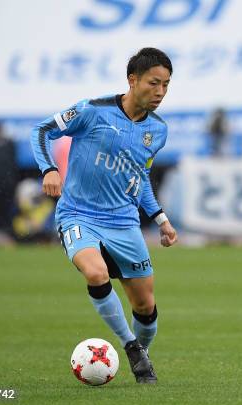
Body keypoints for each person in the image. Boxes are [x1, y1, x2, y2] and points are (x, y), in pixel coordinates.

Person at [30, 47, 178, 384]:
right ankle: (130, 346)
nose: (160, 92)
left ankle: (141, 351)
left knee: (146, 307)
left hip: (124, 223)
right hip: (78, 214)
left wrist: (160, 219)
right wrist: (49, 169)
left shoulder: (158, 131)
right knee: (95, 274)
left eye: (166, 85)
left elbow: (138, 177)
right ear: (132, 80)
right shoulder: (92, 111)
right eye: (154, 83)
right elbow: (41, 131)